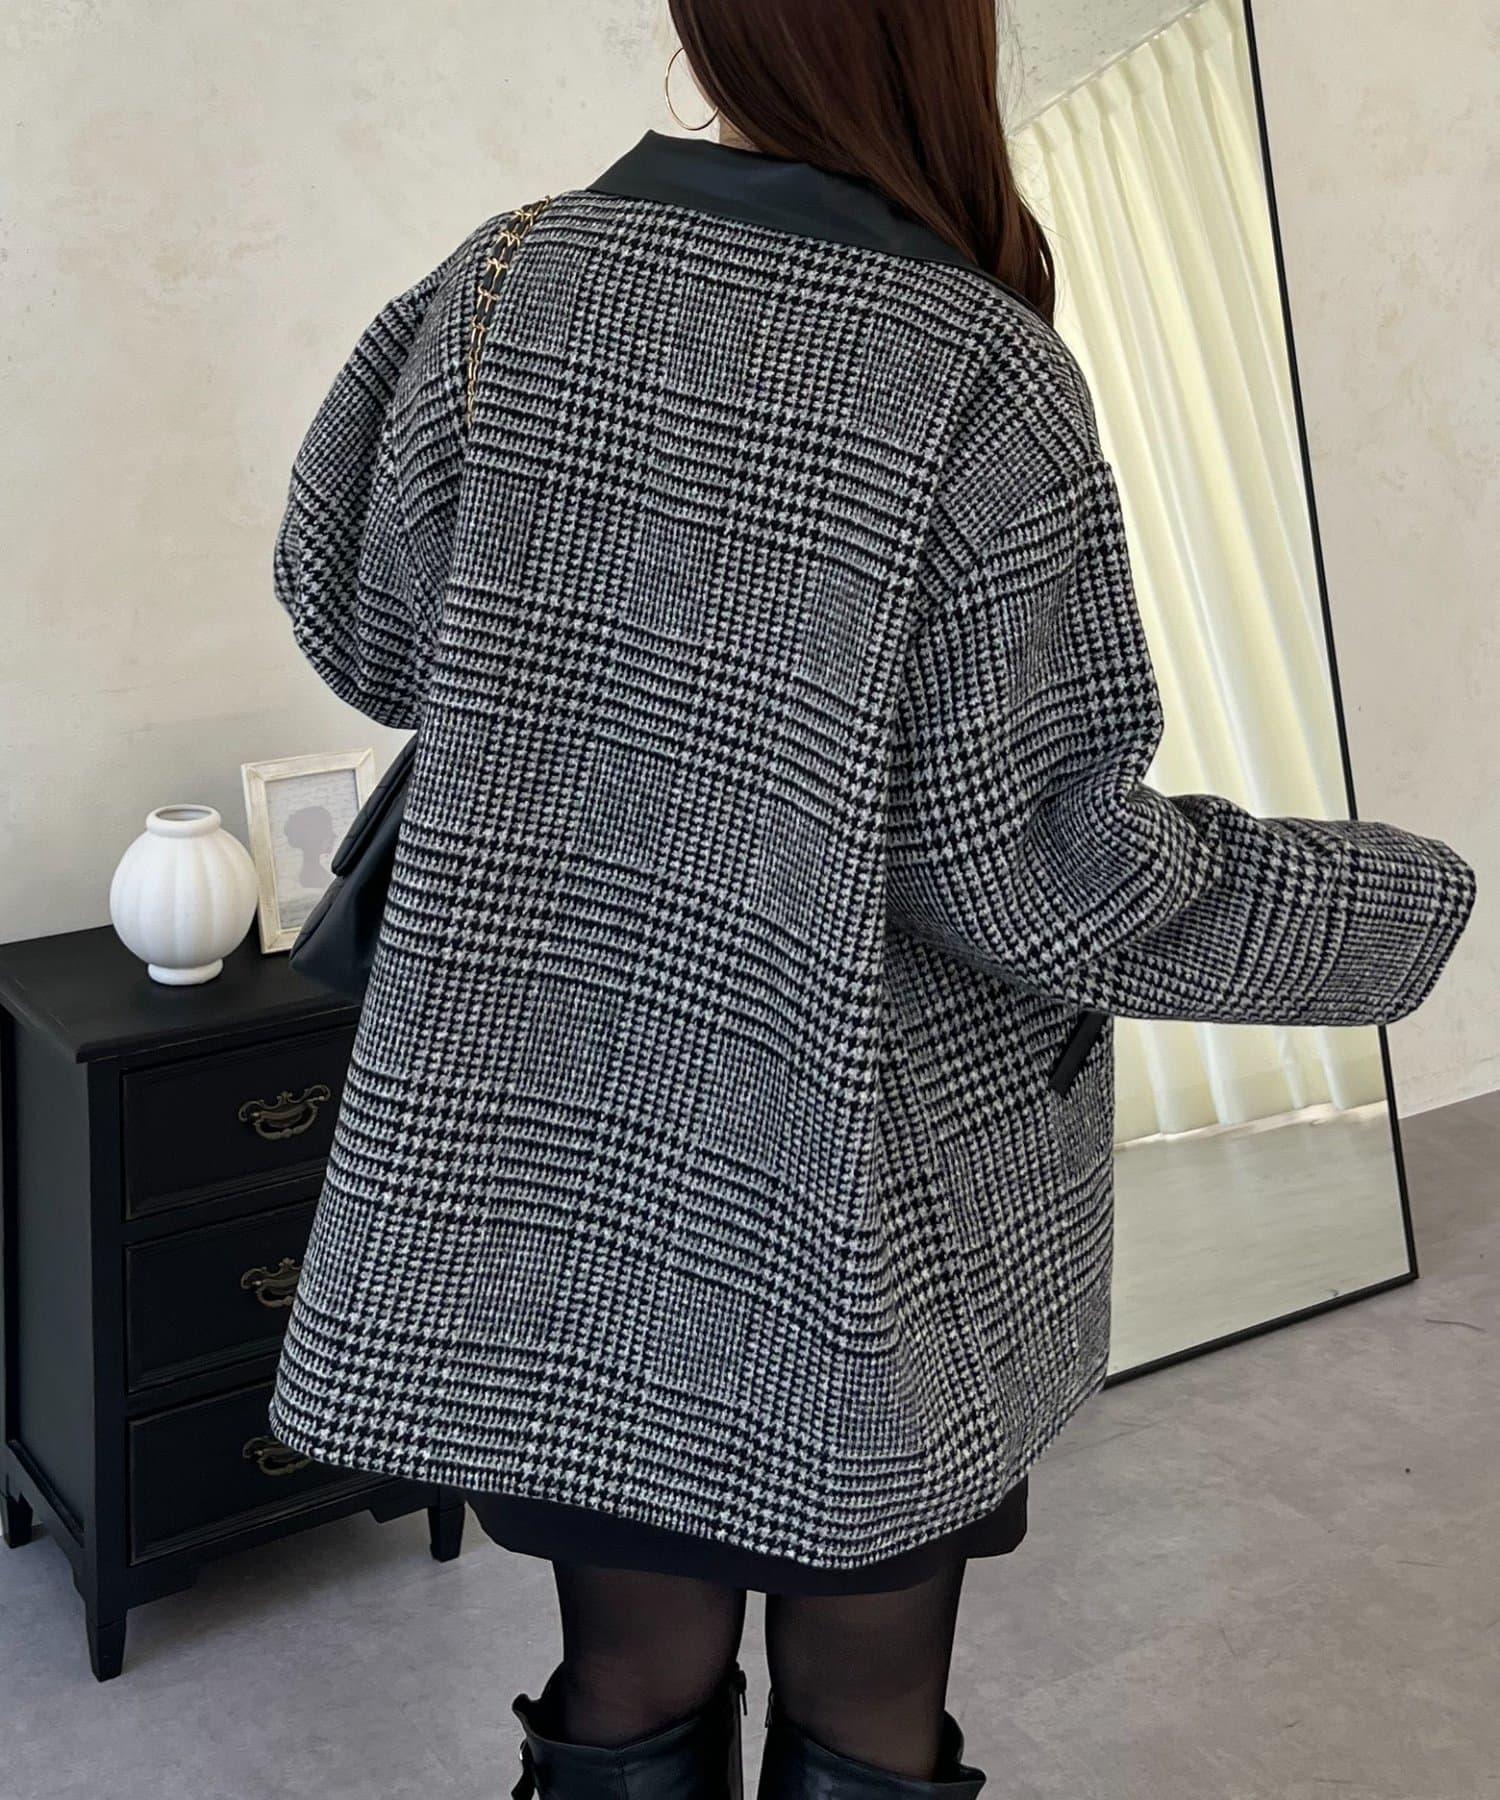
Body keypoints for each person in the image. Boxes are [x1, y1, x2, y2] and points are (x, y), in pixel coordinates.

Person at [263, 1, 1478, 1794]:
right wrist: (1397, 906)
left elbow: (362, 630)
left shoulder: (503, 287)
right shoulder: (973, 365)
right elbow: (1038, 868)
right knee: (866, 1710)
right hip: (868, 1173)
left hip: (560, 1140)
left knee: (626, 1679)